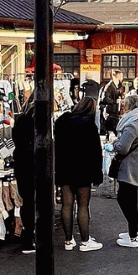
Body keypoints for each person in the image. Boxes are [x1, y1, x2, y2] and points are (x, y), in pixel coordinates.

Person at [53, 96, 104, 251]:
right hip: (83, 170)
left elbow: (56, 145)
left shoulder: (62, 120)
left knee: (66, 205)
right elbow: (96, 151)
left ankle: (68, 241)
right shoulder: (89, 125)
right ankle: (85, 241)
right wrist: (98, 173)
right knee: (83, 205)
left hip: (64, 168)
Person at [110, 94, 138, 248]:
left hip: (130, 166)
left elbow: (122, 148)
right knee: (131, 199)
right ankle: (135, 231)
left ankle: (133, 236)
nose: (123, 108)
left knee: (124, 199)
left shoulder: (132, 124)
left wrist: (114, 142)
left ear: (130, 106)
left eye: (125, 105)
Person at [11, 93, 36, 253]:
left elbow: (16, 140)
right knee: (34, 201)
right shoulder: (37, 120)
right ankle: (31, 236)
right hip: (34, 163)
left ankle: (28, 234)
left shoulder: (20, 119)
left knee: (27, 201)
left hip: (21, 163)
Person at [100, 70, 123, 134]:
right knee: (112, 133)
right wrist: (115, 101)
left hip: (113, 113)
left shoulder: (115, 86)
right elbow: (104, 98)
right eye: (121, 76)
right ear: (117, 76)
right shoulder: (109, 86)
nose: (122, 78)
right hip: (110, 114)